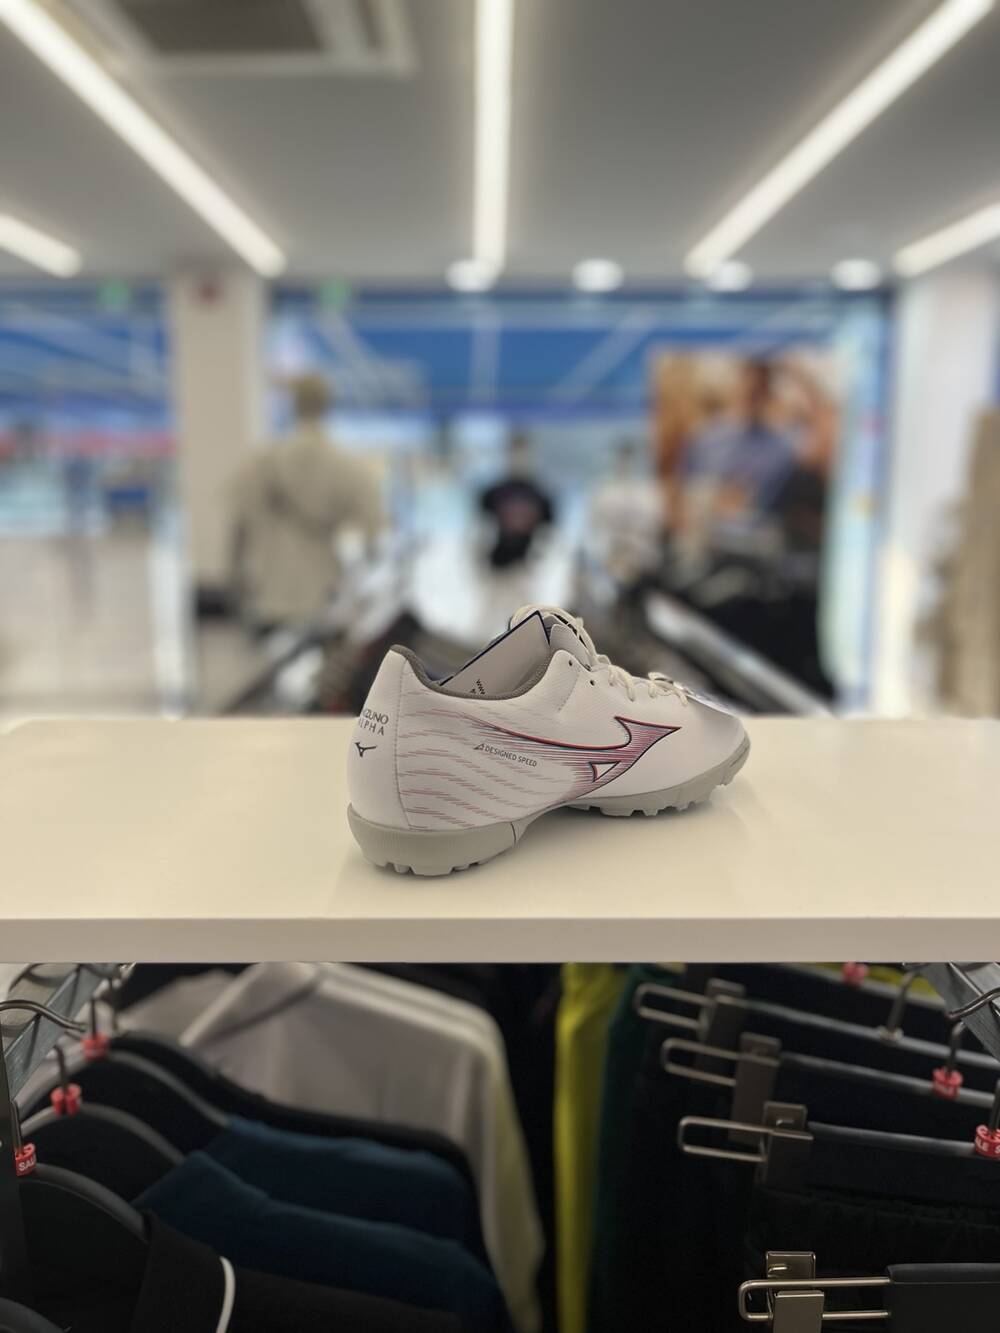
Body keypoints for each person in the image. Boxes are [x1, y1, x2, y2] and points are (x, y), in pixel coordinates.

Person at [229, 374, 383, 632]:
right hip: (325, 594)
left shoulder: (263, 462)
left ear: (293, 404)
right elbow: (373, 532)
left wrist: (235, 582)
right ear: (327, 404)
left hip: (270, 594)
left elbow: (239, 526)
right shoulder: (347, 465)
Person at [478, 431, 555, 570]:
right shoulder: (492, 493)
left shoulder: (542, 494)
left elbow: (549, 535)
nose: (519, 459)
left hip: (530, 565)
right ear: (507, 454)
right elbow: (481, 532)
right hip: (497, 564)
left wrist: (540, 563)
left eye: (523, 454)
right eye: (515, 453)